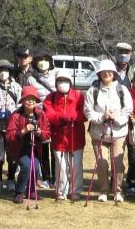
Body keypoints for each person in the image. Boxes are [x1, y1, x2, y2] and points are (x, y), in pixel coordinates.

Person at [83, 59, 133, 203]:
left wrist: (115, 117)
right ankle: (103, 190)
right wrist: (101, 117)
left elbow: (128, 109)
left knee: (117, 162)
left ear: (114, 73)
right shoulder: (93, 90)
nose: (107, 74)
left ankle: (117, 190)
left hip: (118, 133)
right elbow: (88, 111)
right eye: (104, 72)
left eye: (110, 71)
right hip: (99, 133)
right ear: (99, 74)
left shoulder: (122, 90)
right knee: (102, 162)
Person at [43, 70, 86, 201]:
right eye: (60, 81)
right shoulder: (50, 97)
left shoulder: (79, 96)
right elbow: (48, 114)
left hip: (75, 135)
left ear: (70, 82)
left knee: (76, 164)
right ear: (56, 83)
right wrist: (59, 117)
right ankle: (61, 190)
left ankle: (75, 190)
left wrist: (74, 117)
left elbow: (84, 113)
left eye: (66, 81)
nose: (63, 83)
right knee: (60, 165)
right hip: (58, 136)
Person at [6, 86, 51, 204]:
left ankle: (31, 191)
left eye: (33, 99)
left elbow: (47, 133)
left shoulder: (41, 114)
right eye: (27, 99)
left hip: (35, 147)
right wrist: (23, 131)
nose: (30, 101)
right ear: (22, 101)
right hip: (19, 148)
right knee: (26, 166)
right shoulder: (16, 115)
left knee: (35, 168)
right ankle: (19, 192)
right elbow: (10, 136)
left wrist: (40, 132)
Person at [0, 59, 22, 194]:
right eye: (1, 70)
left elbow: (21, 105)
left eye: (6, 70)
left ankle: (11, 179)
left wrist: (13, 114)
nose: (3, 73)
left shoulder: (17, 87)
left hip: (13, 125)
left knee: (12, 155)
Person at [27, 50, 55, 188]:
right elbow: (31, 98)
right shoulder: (31, 79)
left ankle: (56, 177)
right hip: (40, 116)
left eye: (46, 59)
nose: (43, 63)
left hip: (54, 117)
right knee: (42, 148)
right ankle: (46, 177)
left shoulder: (56, 76)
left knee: (55, 149)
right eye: (40, 60)